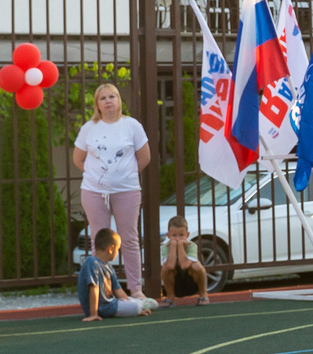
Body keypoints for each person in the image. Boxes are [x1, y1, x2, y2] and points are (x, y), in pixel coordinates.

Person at [72, 84, 153, 296]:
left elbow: (144, 158)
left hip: (127, 190)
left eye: (112, 97)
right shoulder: (88, 128)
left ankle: (135, 289)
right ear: (97, 104)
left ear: (119, 101)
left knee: (129, 239)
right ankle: (103, 290)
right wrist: (97, 175)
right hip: (93, 191)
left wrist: (124, 175)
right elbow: (78, 159)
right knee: (99, 240)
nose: (108, 101)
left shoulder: (132, 126)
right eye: (103, 98)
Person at [76, 229, 148, 322]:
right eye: (117, 249)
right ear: (110, 249)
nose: (118, 252)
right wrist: (93, 314)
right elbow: (94, 288)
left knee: (136, 303)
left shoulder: (109, 268)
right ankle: (136, 307)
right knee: (137, 306)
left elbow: (118, 291)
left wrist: (133, 308)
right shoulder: (91, 263)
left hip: (112, 304)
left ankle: (137, 307)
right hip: (103, 308)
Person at [155, 213, 210, 306]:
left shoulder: (192, 245)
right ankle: (170, 297)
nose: (177, 239)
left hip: (191, 283)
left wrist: (180, 245)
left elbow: (185, 265)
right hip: (176, 284)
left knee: (197, 266)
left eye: (181, 235)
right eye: (174, 235)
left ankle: (203, 295)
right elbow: (170, 265)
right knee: (165, 268)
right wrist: (173, 246)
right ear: (168, 235)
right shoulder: (166, 247)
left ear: (187, 234)